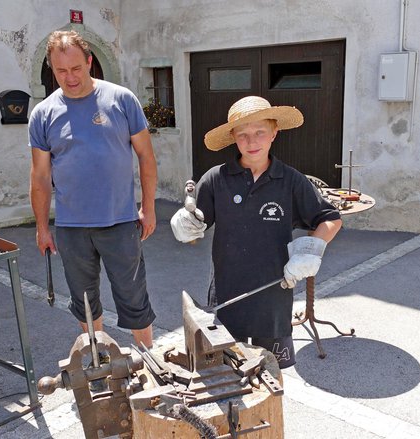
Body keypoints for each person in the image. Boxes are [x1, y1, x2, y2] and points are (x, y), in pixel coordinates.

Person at [171, 96, 342, 368]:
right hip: (227, 297)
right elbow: (194, 230)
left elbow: (330, 218)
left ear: (274, 132)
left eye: (260, 132)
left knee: (272, 374)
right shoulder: (216, 179)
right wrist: (185, 226)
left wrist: (310, 252)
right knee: (228, 373)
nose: (252, 142)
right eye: (243, 135)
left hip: (274, 298)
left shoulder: (290, 180)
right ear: (233, 138)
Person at [29, 30, 157, 348]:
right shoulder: (43, 114)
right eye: (61, 71)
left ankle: (152, 364)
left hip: (121, 221)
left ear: (89, 62)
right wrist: (42, 227)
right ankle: (98, 363)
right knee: (85, 303)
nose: (70, 77)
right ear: (52, 70)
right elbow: (41, 177)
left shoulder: (121, 99)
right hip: (72, 228)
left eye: (76, 68)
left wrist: (149, 207)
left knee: (134, 299)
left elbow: (146, 156)